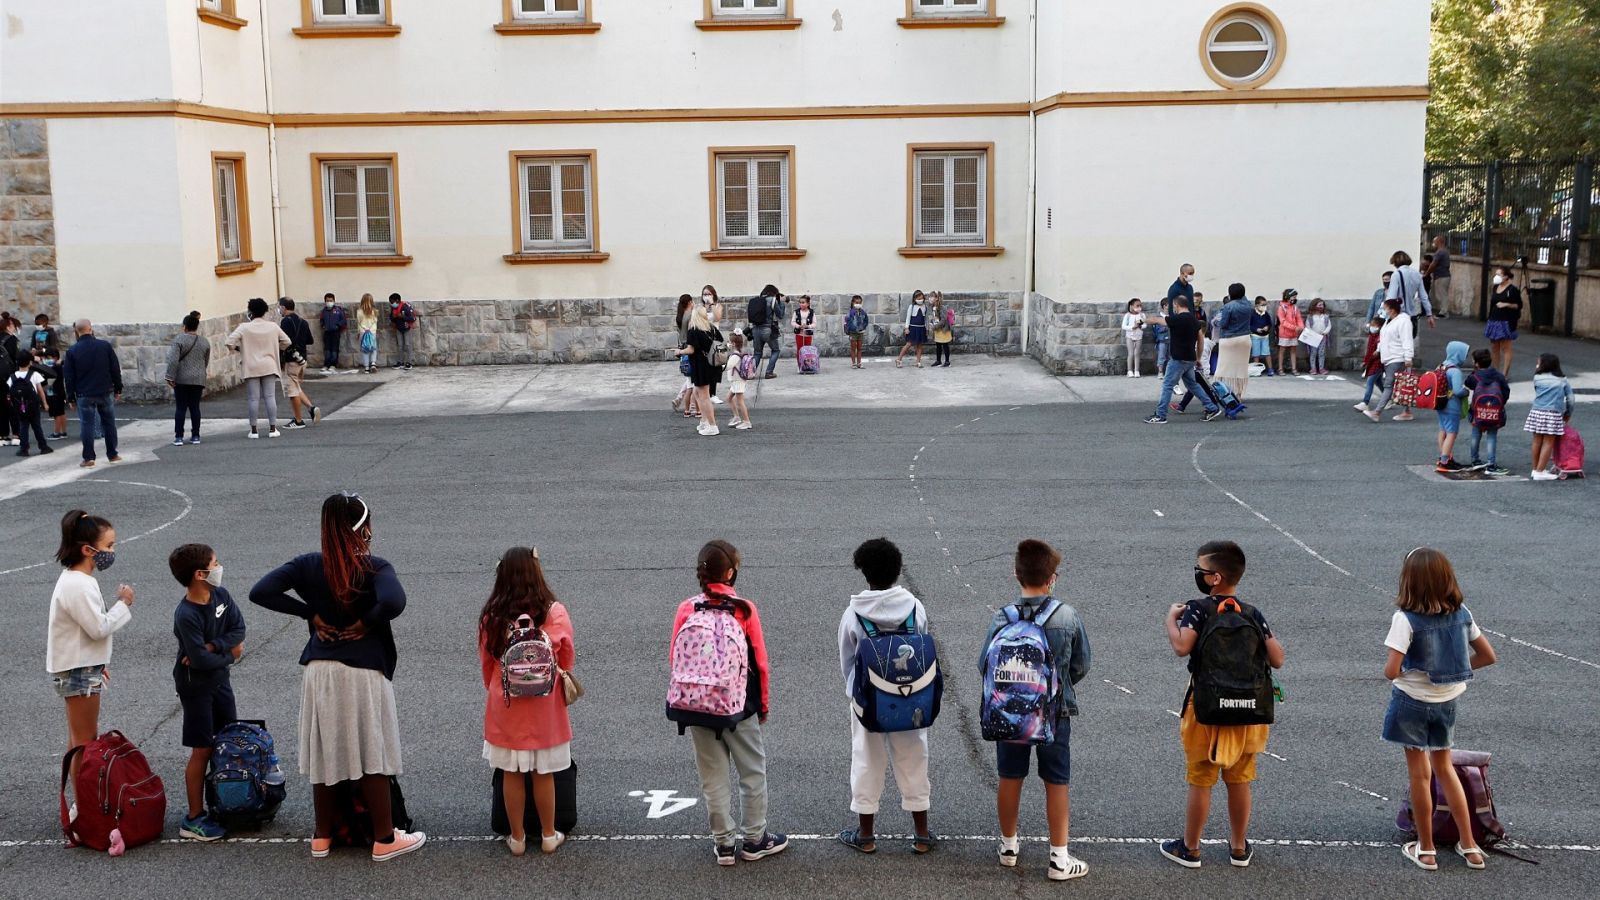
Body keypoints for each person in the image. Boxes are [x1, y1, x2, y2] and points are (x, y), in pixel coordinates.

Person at [248, 493, 426, 862]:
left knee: (327, 751)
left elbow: (260, 591)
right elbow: (394, 601)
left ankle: (322, 837)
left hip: (320, 669)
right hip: (363, 670)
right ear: (364, 529)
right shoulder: (374, 567)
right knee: (372, 752)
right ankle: (384, 839)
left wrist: (309, 614)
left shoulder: (307, 564)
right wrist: (366, 622)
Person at [1161, 541, 1285, 870]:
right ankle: (1239, 847)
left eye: (1200, 570)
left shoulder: (1198, 609)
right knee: (1239, 778)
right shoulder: (1251, 613)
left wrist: (1171, 620)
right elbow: (1277, 658)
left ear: (1215, 578)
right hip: (1248, 710)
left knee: (1201, 778)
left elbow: (1182, 647)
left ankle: (1190, 848)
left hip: (1206, 707)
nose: (1197, 574)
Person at [671, 540, 787, 867]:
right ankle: (755, 839)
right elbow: (760, 662)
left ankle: (723, 843)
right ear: (730, 573)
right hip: (739, 705)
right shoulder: (744, 609)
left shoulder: (687, 609)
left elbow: (675, 659)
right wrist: (762, 705)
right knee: (752, 771)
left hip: (698, 704)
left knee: (713, 777)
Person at [1382, 548, 1496, 871]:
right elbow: (1488, 656)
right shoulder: (1462, 613)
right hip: (1447, 701)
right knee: (1445, 768)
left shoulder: (1405, 619)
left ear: (1409, 581)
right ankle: (1470, 846)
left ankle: (1426, 848)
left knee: (1420, 775)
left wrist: (1411, 673)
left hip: (1411, 702)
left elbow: (1391, 670)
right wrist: (1452, 670)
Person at [985, 539, 1091, 882]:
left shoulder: (1002, 617)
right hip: (1054, 713)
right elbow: (1081, 664)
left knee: (1010, 776)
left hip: (1010, 713)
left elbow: (984, 664)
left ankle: (1008, 847)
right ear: (1052, 578)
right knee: (1056, 780)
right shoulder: (1067, 616)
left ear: (1016, 575)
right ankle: (1059, 857)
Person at [836, 538, 934, 856]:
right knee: (914, 757)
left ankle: (866, 835)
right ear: (897, 571)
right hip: (911, 697)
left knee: (866, 759)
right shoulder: (915, 607)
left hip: (868, 701)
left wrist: (856, 691)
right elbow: (922, 642)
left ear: (864, 573)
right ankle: (921, 834)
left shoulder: (854, 613)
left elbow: (847, 660)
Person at [478, 547, 575, 857]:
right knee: (543, 772)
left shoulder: (492, 616)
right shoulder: (554, 612)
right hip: (544, 705)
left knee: (512, 772)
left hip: (507, 704)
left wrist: (497, 686)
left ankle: (517, 838)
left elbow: (486, 663)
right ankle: (548, 834)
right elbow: (566, 657)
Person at [48, 510, 135, 792]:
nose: (112, 551)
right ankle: (85, 805)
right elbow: (98, 628)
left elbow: (84, 633)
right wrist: (123, 603)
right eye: (108, 546)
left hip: (80, 667)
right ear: (88, 550)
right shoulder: (78, 585)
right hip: (79, 671)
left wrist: (97, 663)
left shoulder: (77, 580)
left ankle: (81, 804)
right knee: (85, 742)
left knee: (78, 741)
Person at [167, 542, 245, 842]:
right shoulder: (186, 614)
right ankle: (194, 817)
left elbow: (238, 629)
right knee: (202, 748)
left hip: (220, 681)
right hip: (196, 687)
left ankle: (223, 801)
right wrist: (230, 655)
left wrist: (213, 646)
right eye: (215, 563)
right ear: (200, 574)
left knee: (226, 740)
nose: (219, 567)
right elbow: (197, 661)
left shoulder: (221, 595)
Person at [1145, 296, 1220, 424]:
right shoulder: (1195, 320)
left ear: (1177, 305)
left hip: (1178, 359)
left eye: (1174, 306)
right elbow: (1200, 341)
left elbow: (1157, 320)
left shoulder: (1177, 319)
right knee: (1193, 385)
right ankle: (1211, 408)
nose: (1173, 308)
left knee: (1167, 385)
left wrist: (1143, 320)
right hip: (1190, 359)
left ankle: (1160, 415)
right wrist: (1198, 358)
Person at [225, 298, 290, 440]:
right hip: (269, 364)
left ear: (250, 311)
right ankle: (272, 428)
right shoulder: (273, 326)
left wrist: (239, 349)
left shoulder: (244, 327)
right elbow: (287, 341)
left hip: (251, 365)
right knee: (270, 396)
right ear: (265, 311)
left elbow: (229, 341)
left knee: (253, 398)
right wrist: (277, 348)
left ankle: (254, 430)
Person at [62, 318, 123, 468]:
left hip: (84, 393)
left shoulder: (72, 351)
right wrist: (118, 388)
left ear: (77, 331)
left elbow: (69, 377)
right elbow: (115, 369)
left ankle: (89, 458)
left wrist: (70, 397)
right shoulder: (104, 346)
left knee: (87, 425)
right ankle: (113, 454)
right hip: (105, 390)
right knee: (109, 423)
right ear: (90, 328)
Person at [675, 304, 725, 436]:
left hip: (701, 366)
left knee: (704, 397)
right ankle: (704, 421)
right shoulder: (711, 328)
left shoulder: (694, 330)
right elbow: (721, 342)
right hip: (713, 365)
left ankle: (712, 425)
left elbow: (691, 350)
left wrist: (679, 351)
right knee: (697, 393)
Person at [164, 310, 210, 447]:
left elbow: (173, 360)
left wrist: (169, 376)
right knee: (195, 407)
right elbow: (205, 361)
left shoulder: (179, 340)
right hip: (198, 379)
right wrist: (200, 372)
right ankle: (196, 435)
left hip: (182, 379)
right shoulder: (204, 342)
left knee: (181, 408)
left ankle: (179, 437)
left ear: (185, 326)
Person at [1365, 300, 1415, 423]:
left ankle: (1377, 412)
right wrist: (1379, 349)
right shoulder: (1388, 321)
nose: (1382, 311)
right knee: (1401, 385)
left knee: (1389, 385)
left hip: (1397, 357)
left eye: (1384, 308)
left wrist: (1408, 357)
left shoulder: (1403, 321)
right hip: (1389, 358)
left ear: (1392, 310)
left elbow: (1407, 340)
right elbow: (1384, 338)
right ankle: (1407, 412)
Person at [1525, 353, 1574, 480]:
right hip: (1552, 412)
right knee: (1548, 442)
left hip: (1536, 411)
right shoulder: (1562, 380)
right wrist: (1568, 413)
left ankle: (1535, 469)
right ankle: (1540, 471)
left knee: (1536, 440)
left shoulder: (1537, 377)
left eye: (1539, 362)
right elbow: (1571, 399)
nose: (1537, 365)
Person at [1464, 348, 1511, 476]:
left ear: (1476, 363)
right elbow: (1506, 391)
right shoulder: (1498, 376)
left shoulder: (1475, 377)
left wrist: (1474, 371)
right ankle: (1491, 463)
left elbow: (1467, 383)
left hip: (1477, 411)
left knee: (1475, 434)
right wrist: (1499, 404)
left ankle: (1475, 460)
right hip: (1494, 411)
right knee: (1492, 436)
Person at [278, 298, 320, 430]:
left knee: (292, 391)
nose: (279, 310)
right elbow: (310, 340)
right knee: (296, 386)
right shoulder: (303, 321)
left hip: (291, 361)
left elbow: (283, 341)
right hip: (302, 359)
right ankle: (311, 408)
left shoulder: (285, 321)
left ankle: (298, 420)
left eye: (280, 307)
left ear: (283, 308)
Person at [1433, 342, 1471, 473]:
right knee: (1452, 433)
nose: (1465, 357)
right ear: (1458, 354)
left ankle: (1444, 456)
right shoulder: (1455, 371)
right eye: (1464, 354)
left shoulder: (1441, 366)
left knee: (1443, 430)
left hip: (1440, 403)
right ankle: (1445, 461)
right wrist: (1466, 391)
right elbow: (1457, 391)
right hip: (1452, 405)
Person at [1213, 284, 1253, 398]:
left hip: (1229, 339)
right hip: (1245, 339)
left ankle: (1221, 392)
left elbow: (1223, 324)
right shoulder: (1248, 305)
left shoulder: (1228, 306)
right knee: (1241, 369)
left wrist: (1215, 322)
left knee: (1223, 368)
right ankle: (1239, 393)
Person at [1386, 251, 1435, 341]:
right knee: (1408, 343)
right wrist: (1429, 315)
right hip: (1412, 316)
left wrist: (1384, 314)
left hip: (1398, 316)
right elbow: (1424, 297)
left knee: (1395, 344)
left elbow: (1391, 298)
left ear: (1395, 262)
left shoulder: (1396, 275)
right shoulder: (1417, 275)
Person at [9, 351, 50, 456]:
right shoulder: (34, 374)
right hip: (33, 405)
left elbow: (10, 393)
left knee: (23, 426)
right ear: (30, 362)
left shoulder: (12, 376)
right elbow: (40, 390)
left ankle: (24, 449)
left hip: (20, 406)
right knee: (37, 426)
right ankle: (43, 447)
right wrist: (45, 403)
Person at [1485, 266, 1522, 377]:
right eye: (1496, 274)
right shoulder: (1495, 287)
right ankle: (1495, 371)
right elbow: (1492, 303)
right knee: (1494, 347)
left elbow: (1519, 305)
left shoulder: (1512, 290)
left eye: (1499, 275)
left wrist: (1507, 304)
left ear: (1506, 276)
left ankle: (1504, 374)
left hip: (1506, 321)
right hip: (1494, 319)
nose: (1496, 277)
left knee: (1506, 347)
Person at [746, 284, 784, 379]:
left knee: (757, 353)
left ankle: (751, 373)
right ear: (774, 292)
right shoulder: (772, 300)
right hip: (767, 330)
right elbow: (780, 315)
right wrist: (782, 303)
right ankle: (769, 372)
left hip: (755, 330)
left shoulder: (756, 301)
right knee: (775, 350)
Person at [671, 295, 698, 419]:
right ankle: (692, 407)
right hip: (690, 348)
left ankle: (680, 399)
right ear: (689, 302)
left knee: (689, 378)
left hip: (682, 348)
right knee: (692, 382)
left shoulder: (680, 316)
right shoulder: (690, 315)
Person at [1353, 316, 1387, 412]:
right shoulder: (1372, 336)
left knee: (1370, 382)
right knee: (1378, 382)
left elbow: (1377, 352)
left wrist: (1368, 360)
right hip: (1373, 362)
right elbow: (1369, 350)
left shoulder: (1381, 337)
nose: (1371, 327)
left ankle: (1365, 402)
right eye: (1371, 325)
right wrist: (1365, 361)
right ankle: (1388, 398)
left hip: (1378, 363)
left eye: (1374, 325)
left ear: (1380, 327)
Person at [725, 332, 753, 430]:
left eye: (729, 341)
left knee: (740, 401)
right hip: (736, 381)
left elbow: (727, 367)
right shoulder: (739, 353)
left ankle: (747, 422)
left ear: (733, 344)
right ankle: (736, 417)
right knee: (729, 398)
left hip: (738, 381)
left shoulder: (734, 356)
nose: (727, 343)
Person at [41, 346, 69, 439]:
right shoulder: (58, 367)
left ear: (55, 357)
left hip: (54, 392)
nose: (46, 360)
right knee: (61, 412)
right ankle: (63, 432)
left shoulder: (55, 367)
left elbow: (47, 380)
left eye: (48, 358)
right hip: (59, 392)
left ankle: (57, 432)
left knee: (56, 414)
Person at [1274, 290, 1303, 377]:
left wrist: (1301, 327)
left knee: (1293, 351)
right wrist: (1294, 327)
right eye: (1293, 297)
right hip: (1284, 333)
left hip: (1294, 334)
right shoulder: (1281, 308)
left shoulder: (1295, 308)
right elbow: (1282, 322)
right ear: (1287, 297)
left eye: (1295, 297)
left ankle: (1294, 368)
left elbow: (1299, 318)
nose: (1295, 299)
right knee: (1282, 351)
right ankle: (1280, 368)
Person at [897, 290, 929, 369]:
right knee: (909, 344)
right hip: (913, 328)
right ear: (914, 299)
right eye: (918, 298)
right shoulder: (911, 307)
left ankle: (918, 361)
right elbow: (908, 318)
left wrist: (927, 328)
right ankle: (899, 359)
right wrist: (906, 328)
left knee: (919, 345)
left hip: (921, 328)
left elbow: (926, 319)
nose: (920, 299)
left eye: (921, 298)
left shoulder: (925, 307)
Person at [1422, 235, 1452, 316]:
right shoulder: (1444, 251)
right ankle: (1440, 310)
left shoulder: (1440, 252)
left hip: (1441, 276)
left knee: (1442, 294)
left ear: (1438, 242)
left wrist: (1426, 273)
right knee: (1438, 294)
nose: (1433, 244)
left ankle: (1444, 312)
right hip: (1442, 276)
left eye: (1434, 242)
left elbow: (1433, 264)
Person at [318, 293, 348, 374]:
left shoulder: (338, 310)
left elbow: (343, 320)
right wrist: (323, 325)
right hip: (327, 332)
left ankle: (333, 365)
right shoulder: (324, 311)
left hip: (335, 332)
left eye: (331, 300)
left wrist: (338, 326)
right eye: (327, 301)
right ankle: (326, 365)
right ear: (325, 301)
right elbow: (321, 320)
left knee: (334, 349)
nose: (329, 302)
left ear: (334, 301)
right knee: (327, 349)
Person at [1304, 298, 1332, 376]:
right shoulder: (1310, 317)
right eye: (1319, 305)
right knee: (1313, 353)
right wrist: (1312, 334)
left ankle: (1321, 368)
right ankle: (1313, 368)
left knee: (1321, 353)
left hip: (1323, 337)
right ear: (1314, 306)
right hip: (1313, 337)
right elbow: (1307, 326)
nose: (1321, 306)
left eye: (1322, 305)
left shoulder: (1325, 317)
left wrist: (1325, 332)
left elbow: (1329, 326)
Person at [388, 293, 417, 370]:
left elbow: (412, 318)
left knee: (408, 345)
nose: (391, 304)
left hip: (407, 328)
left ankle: (409, 362)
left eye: (392, 302)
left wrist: (402, 316)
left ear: (397, 300)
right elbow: (391, 318)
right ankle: (400, 362)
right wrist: (393, 317)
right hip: (399, 328)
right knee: (400, 345)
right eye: (390, 302)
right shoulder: (393, 308)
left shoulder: (405, 307)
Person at [929, 291, 956, 368]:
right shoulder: (933, 307)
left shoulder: (942, 307)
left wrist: (934, 326)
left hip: (943, 330)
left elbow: (943, 320)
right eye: (930, 296)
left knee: (945, 345)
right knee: (938, 345)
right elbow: (935, 318)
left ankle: (947, 362)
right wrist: (932, 322)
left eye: (932, 296)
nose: (930, 298)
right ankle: (938, 361)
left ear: (937, 298)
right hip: (938, 329)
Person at [1121, 299, 1145, 377]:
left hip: (1139, 336)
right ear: (1131, 306)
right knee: (1131, 353)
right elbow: (1123, 326)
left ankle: (1137, 370)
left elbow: (1145, 325)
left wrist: (1140, 326)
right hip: (1129, 336)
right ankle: (1129, 370)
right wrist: (1132, 327)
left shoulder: (1142, 315)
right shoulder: (1127, 315)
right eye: (1137, 306)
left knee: (1137, 353)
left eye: (1140, 306)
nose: (1139, 307)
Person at [356, 293, 380, 374]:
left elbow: (359, 322)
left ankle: (366, 367)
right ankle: (373, 363)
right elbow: (375, 321)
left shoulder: (359, 312)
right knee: (373, 348)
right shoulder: (374, 311)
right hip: (372, 331)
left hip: (363, 332)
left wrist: (358, 332)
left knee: (364, 349)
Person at [1248, 297, 1273, 376]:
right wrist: (1256, 329)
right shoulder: (1252, 314)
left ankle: (1270, 369)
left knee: (1267, 353)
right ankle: (1257, 370)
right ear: (1257, 305)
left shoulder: (1266, 314)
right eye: (1262, 305)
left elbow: (1270, 323)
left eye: (1265, 305)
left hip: (1265, 336)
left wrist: (1267, 327)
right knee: (1256, 354)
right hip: (1255, 336)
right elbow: (1249, 325)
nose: (1264, 306)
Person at [792, 294, 816, 372]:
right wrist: (798, 326)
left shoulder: (811, 312)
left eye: (803, 302)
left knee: (808, 350)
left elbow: (814, 323)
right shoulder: (796, 312)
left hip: (808, 334)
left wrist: (808, 326)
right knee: (800, 350)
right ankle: (800, 366)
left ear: (808, 304)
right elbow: (792, 322)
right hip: (799, 334)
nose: (801, 304)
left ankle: (807, 365)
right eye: (800, 302)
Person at [845, 295, 869, 369]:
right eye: (856, 303)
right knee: (853, 348)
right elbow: (848, 322)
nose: (858, 304)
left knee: (859, 348)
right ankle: (853, 363)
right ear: (853, 303)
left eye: (859, 303)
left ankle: (859, 363)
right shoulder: (850, 313)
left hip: (860, 333)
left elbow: (866, 320)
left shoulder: (863, 312)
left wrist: (863, 327)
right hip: (853, 333)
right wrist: (854, 329)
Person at [1152, 299, 1172, 377]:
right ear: (1164, 306)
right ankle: (1160, 372)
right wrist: (1165, 327)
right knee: (1161, 356)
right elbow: (1156, 329)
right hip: (1162, 340)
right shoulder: (1158, 317)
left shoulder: (1172, 316)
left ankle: (1169, 372)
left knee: (1171, 357)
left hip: (1171, 340)